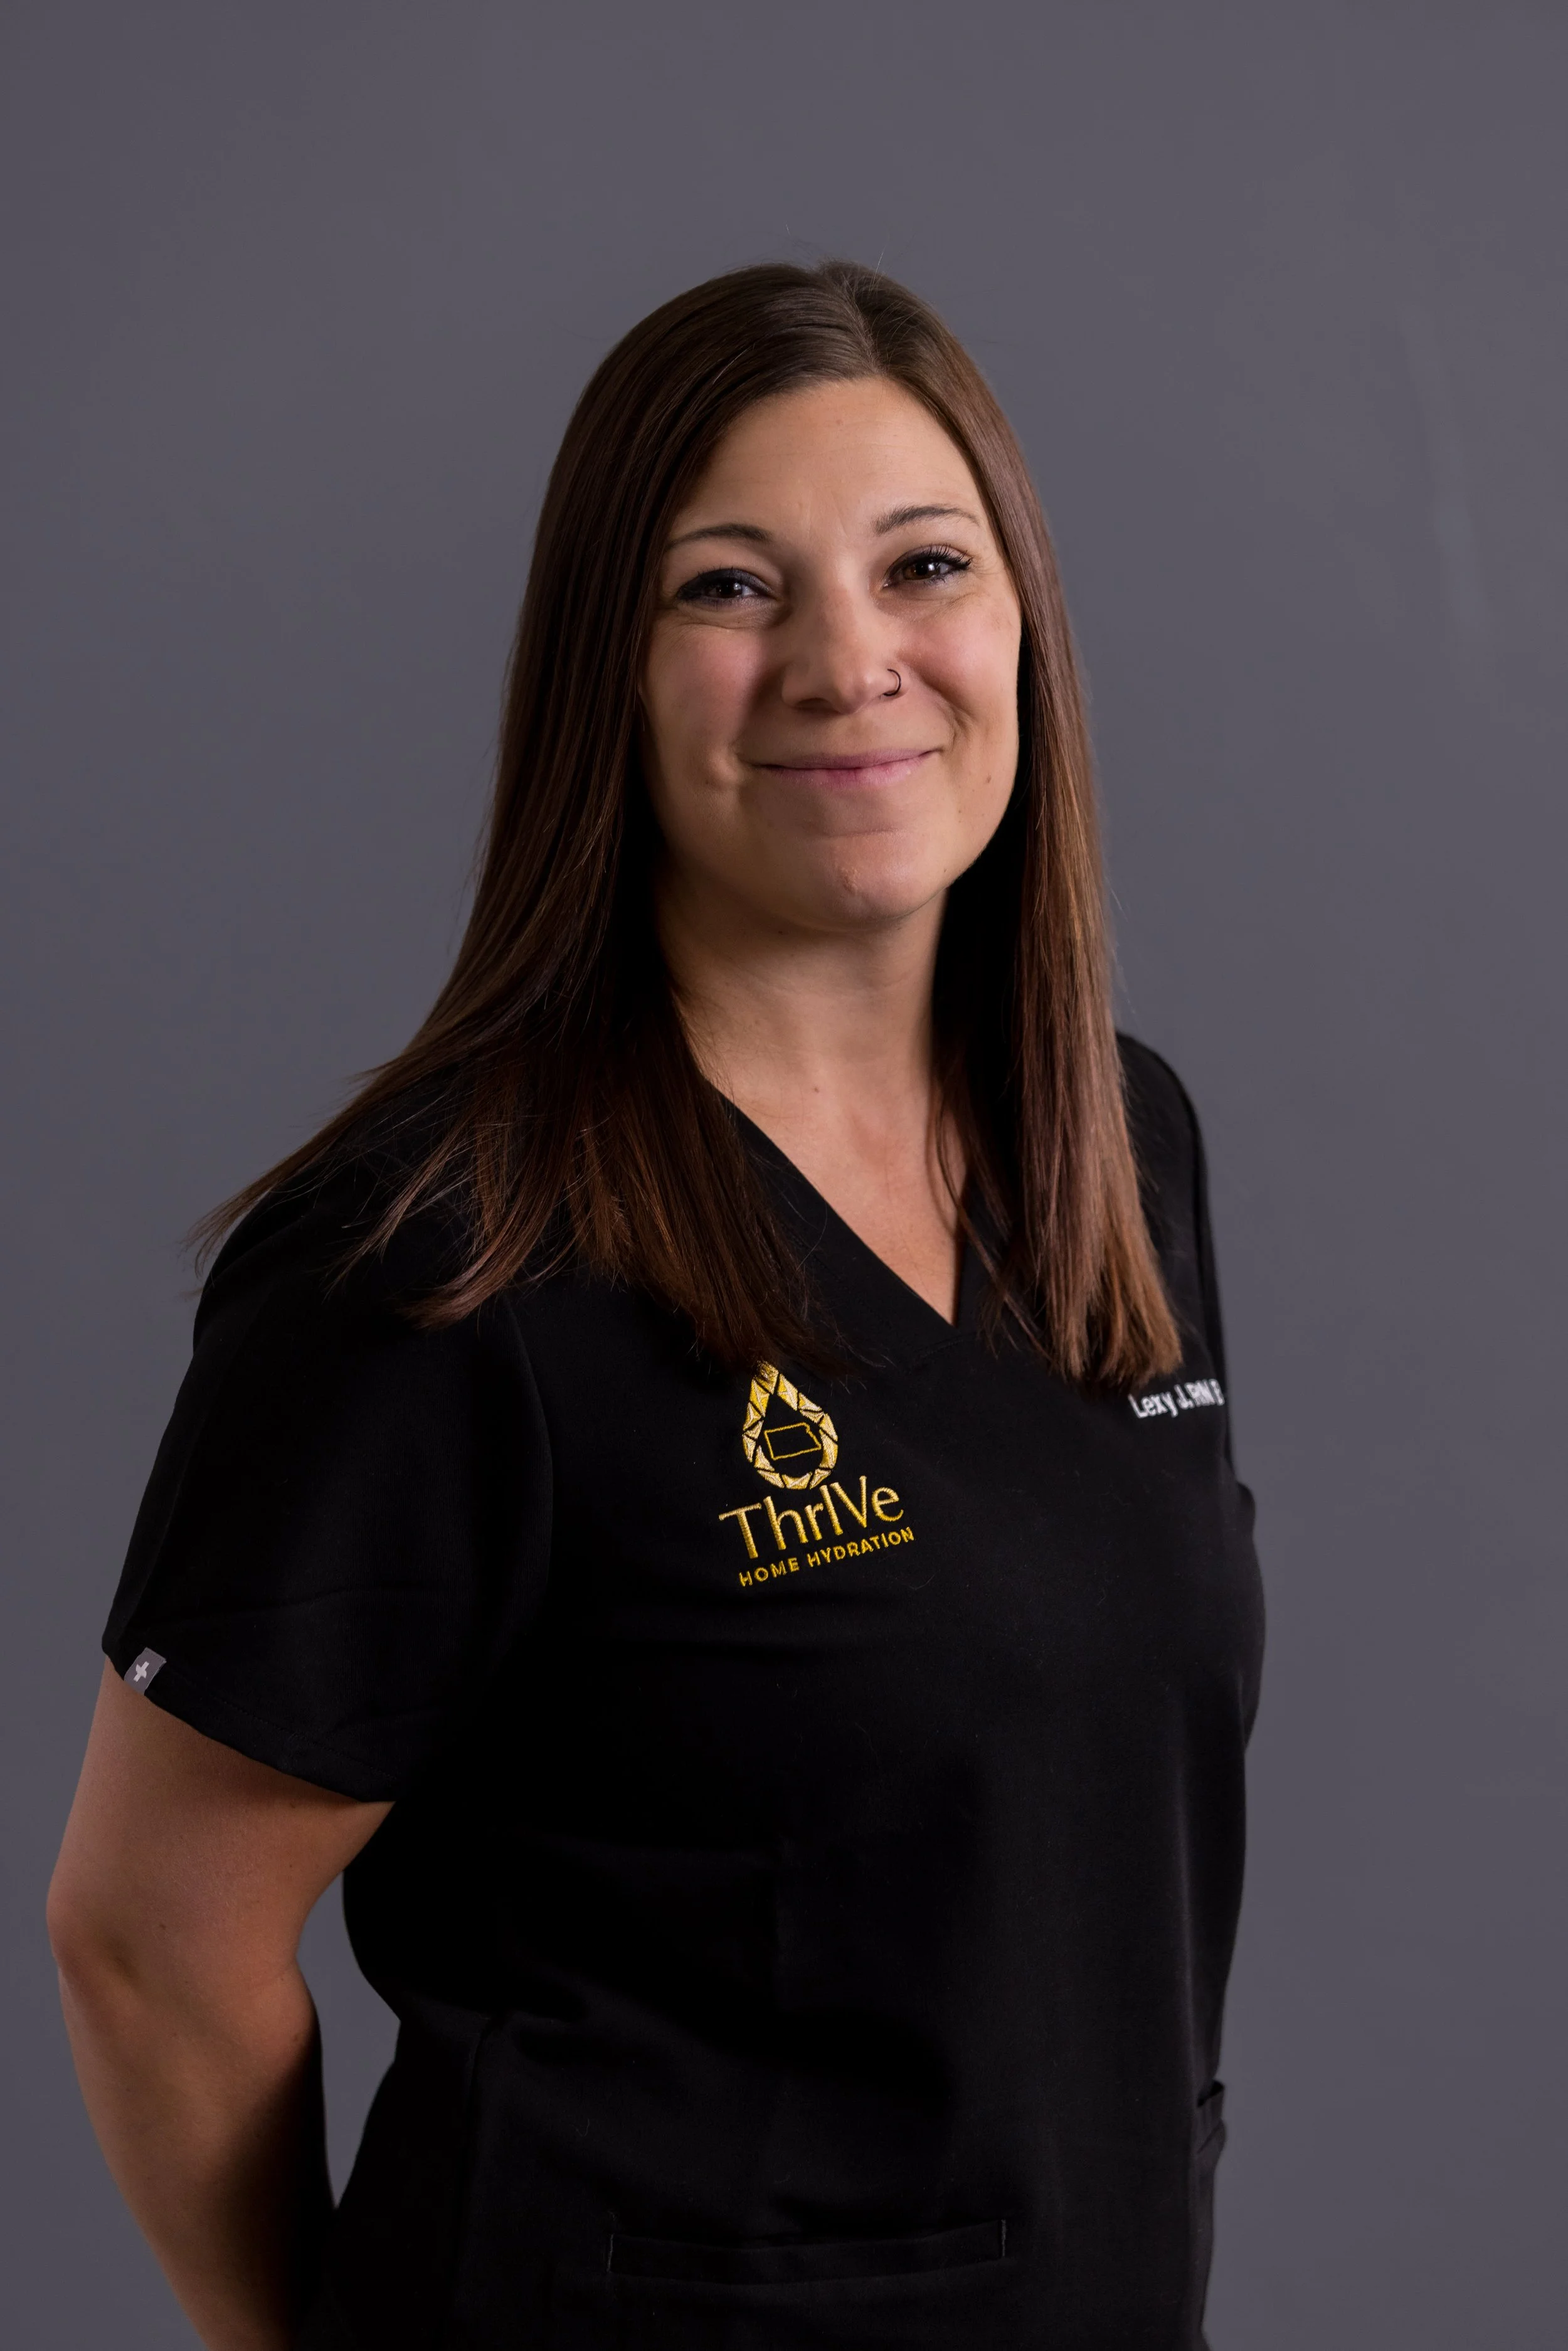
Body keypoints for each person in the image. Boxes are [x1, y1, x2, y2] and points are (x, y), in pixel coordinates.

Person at [48, 260, 1263, 2351]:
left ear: (1020, 627)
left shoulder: (1114, 1145)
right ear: (605, 670)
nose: (845, 662)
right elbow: (153, 1944)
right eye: (728, 588)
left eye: (922, 566)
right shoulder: (442, 1255)